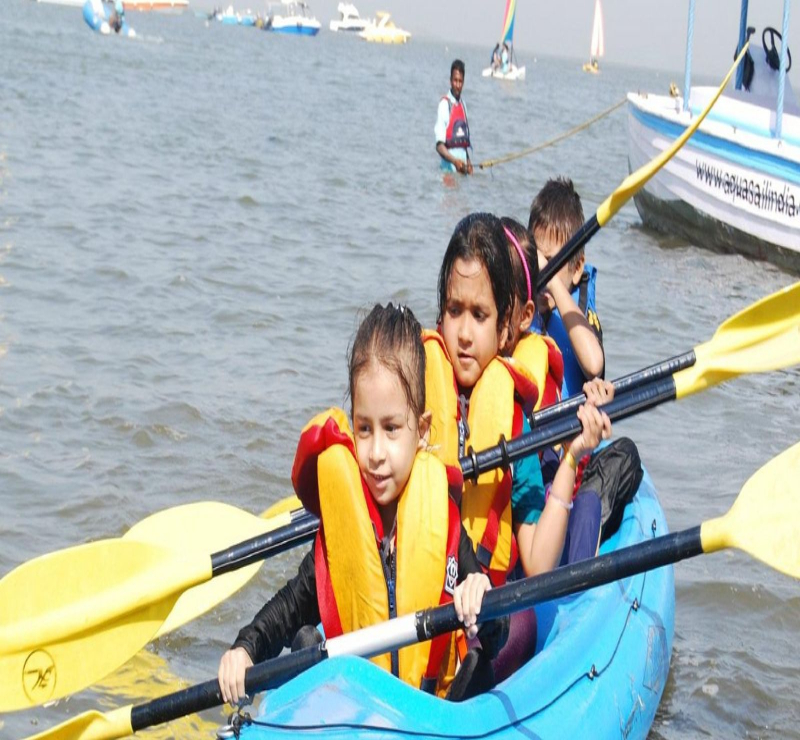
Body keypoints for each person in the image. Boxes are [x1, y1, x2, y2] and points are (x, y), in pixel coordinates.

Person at [218, 304, 509, 706]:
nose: (375, 453)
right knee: (304, 639)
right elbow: (288, 607)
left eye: (391, 429)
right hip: (361, 712)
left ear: (421, 430)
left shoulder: (443, 520)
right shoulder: (344, 528)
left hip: (430, 712)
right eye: (363, 429)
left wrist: (481, 594)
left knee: (479, 666)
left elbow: (498, 633)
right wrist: (245, 648)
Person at [424, 213, 611, 679]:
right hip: (424, 594)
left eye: (480, 315)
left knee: (519, 623)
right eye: (454, 311)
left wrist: (571, 457)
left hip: (483, 608)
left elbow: (539, 561)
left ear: (507, 326)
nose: (464, 334)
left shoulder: (510, 417)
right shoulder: (417, 394)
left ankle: (465, 687)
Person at [528, 179, 645, 550]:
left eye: (555, 263)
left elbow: (594, 362)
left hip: (577, 462)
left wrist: (557, 287)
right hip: (535, 462)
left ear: (577, 269)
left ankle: (583, 534)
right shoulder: (519, 314)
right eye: (537, 259)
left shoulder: (580, 319)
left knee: (626, 455)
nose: (543, 272)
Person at [435, 60, 473, 175]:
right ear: (450, 81)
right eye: (455, 81)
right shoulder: (444, 105)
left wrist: (468, 161)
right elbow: (439, 146)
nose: (458, 85)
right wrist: (454, 161)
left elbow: (462, 143)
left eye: (460, 81)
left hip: (462, 174)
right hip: (448, 172)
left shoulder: (463, 105)